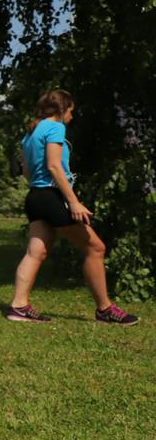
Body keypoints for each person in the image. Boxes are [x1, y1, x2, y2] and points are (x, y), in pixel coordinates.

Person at [8, 89, 139, 324]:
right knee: (95, 248)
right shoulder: (55, 127)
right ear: (62, 109)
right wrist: (73, 201)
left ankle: (18, 306)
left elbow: (27, 172)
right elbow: (54, 166)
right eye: (70, 111)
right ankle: (105, 309)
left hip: (35, 196)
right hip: (52, 196)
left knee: (36, 252)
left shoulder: (30, 133)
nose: (71, 116)